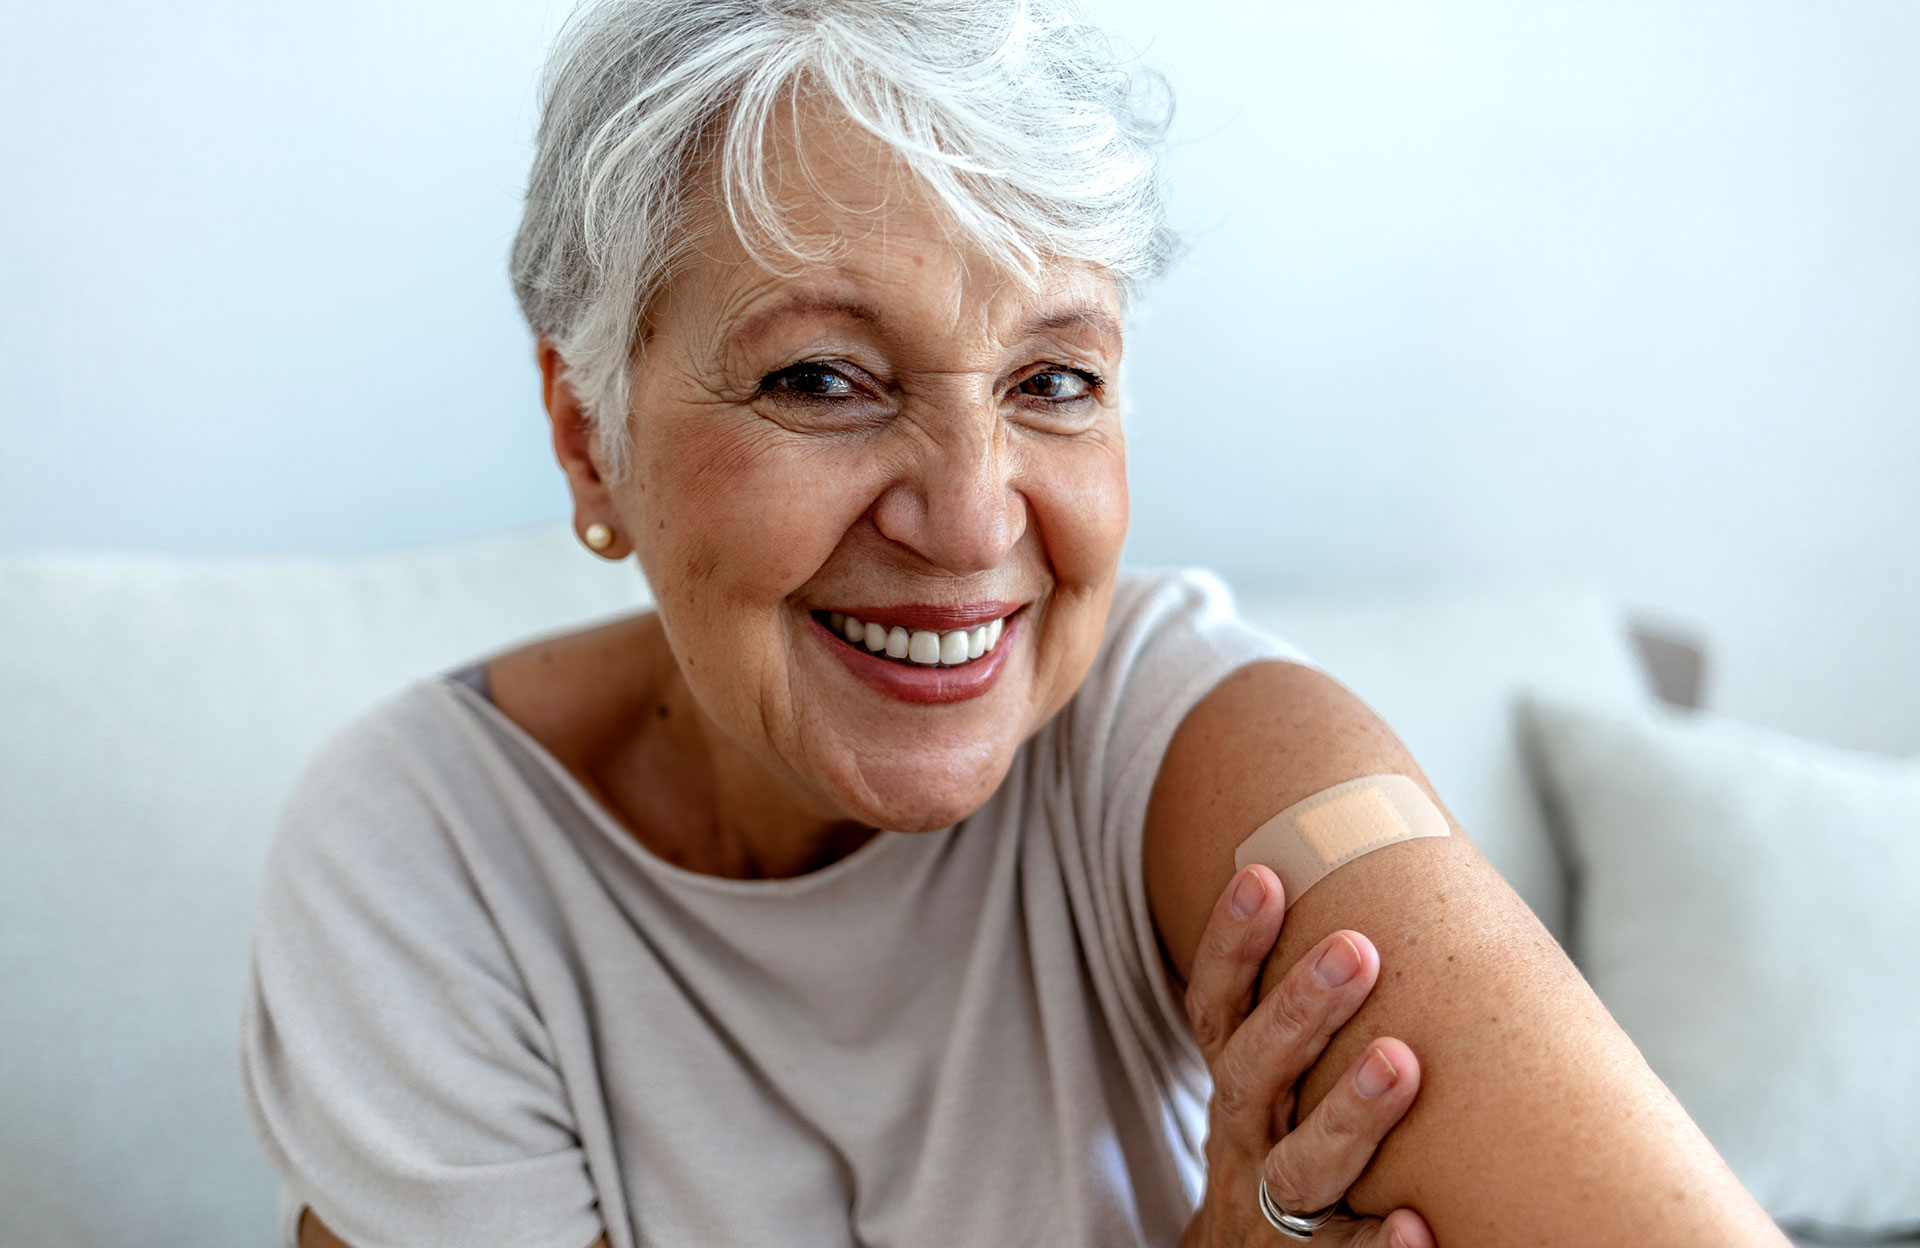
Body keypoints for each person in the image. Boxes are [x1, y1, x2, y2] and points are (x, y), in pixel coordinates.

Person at [239, 1, 1790, 1245]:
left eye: (1055, 381)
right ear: (591, 437)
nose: (976, 521)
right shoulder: (421, 859)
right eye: (823, 379)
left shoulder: (1205, 740)